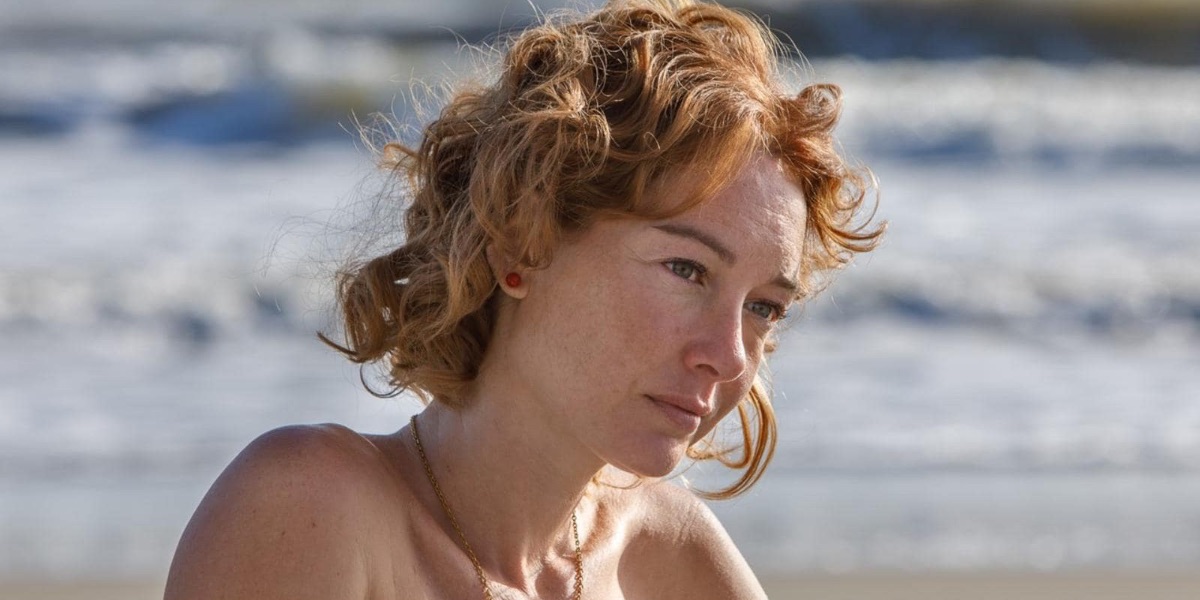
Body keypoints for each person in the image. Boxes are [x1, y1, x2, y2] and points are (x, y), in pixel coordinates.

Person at [164, 0, 882, 598]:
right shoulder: (310, 509)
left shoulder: (667, 560)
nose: (730, 357)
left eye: (764, 307)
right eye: (686, 270)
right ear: (519, 244)